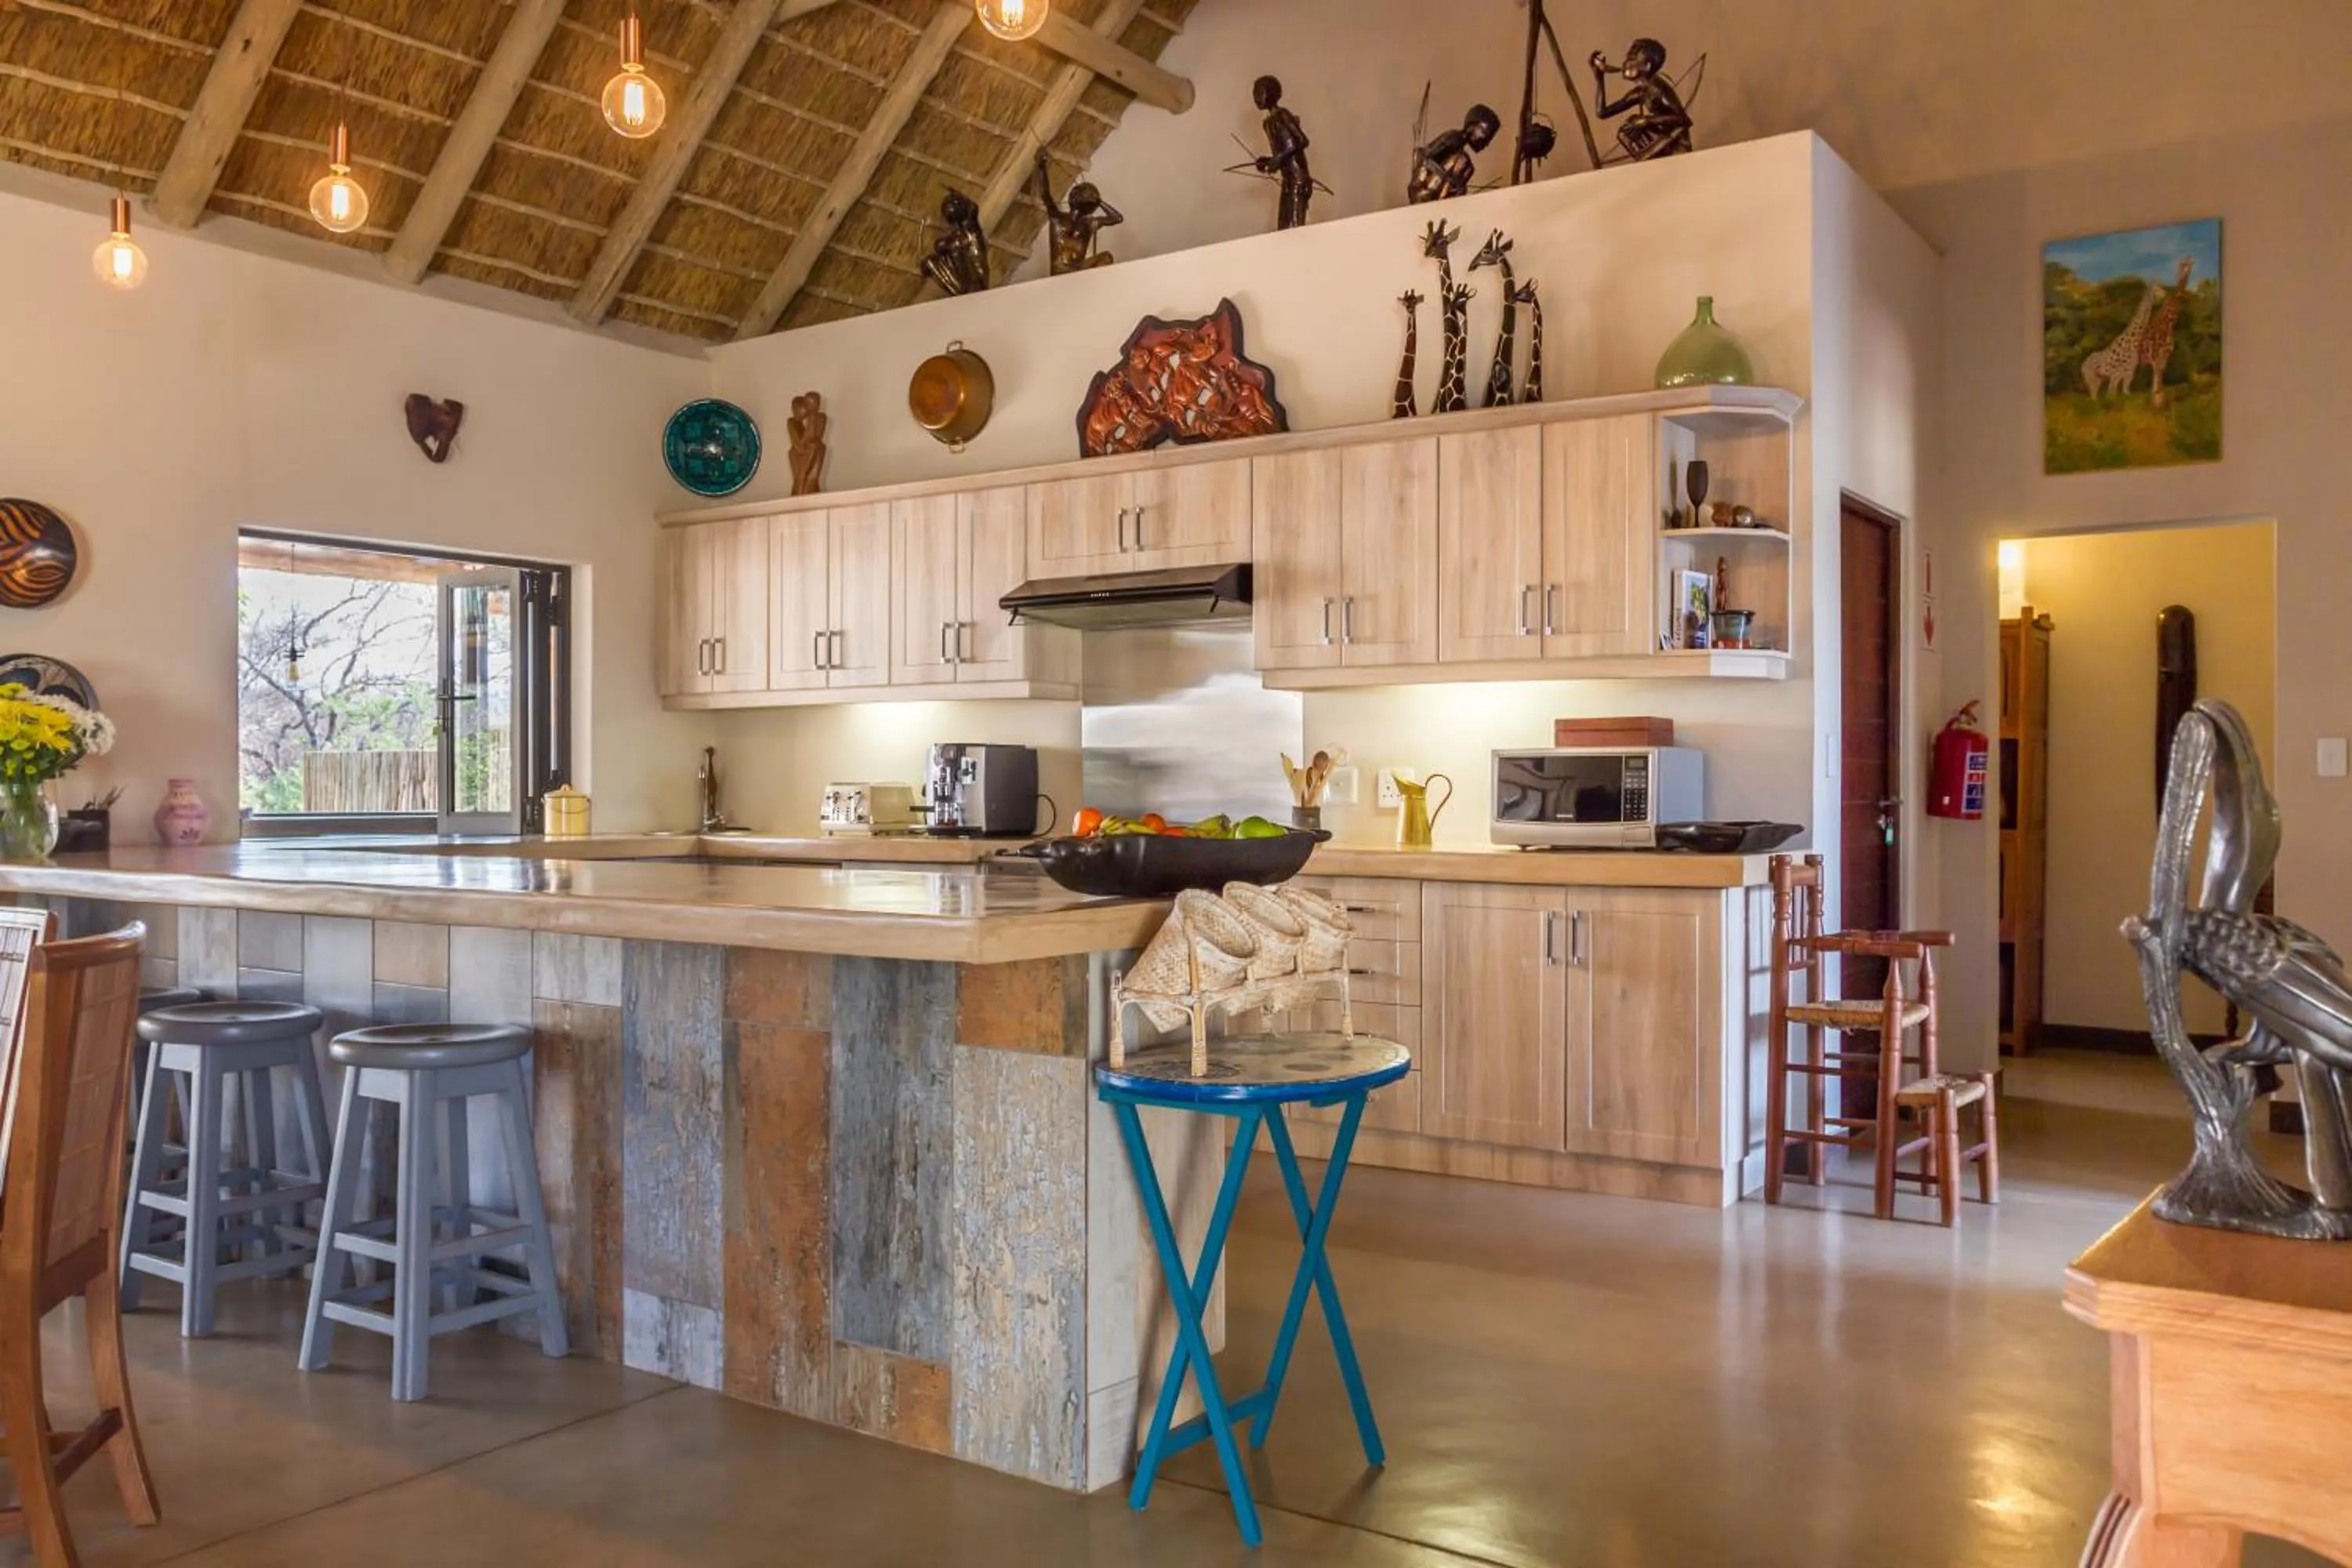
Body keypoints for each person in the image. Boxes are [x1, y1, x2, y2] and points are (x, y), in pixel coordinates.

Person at [1589, 38, 1693, 162]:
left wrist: (1646, 121)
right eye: (1627, 58)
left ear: (1647, 66)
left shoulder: (1658, 88)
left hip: (1678, 147)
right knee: (1631, 124)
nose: (1625, 63)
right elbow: (1602, 113)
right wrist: (1600, 79)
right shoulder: (1640, 93)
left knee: (1636, 121)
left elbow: (1683, 120)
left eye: (1632, 59)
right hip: (1664, 144)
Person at [1033, 150, 1123, 273]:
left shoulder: (1089, 224)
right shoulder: (1057, 218)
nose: (1088, 196)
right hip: (1060, 270)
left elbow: (1117, 218)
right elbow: (1045, 193)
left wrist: (1099, 201)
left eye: (1090, 195)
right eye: (1086, 194)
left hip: (1077, 271)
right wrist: (1041, 166)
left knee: (1106, 257)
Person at [1252, 75, 1315, 229]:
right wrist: (1267, 162)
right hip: (1288, 182)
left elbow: (1302, 141)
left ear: (1272, 93)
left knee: (1294, 228)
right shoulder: (1267, 123)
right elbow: (1282, 156)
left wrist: (1278, 159)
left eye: (1260, 92)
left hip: (1298, 181)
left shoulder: (1282, 115)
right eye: (1255, 92)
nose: (1256, 96)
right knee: (1284, 227)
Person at [1408, 103, 1501, 203]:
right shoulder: (1454, 138)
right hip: (1426, 193)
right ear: (1473, 125)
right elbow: (1424, 155)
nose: (1483, 139)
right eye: (1483, 132)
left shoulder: (1465, 161)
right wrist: (1421, 185)